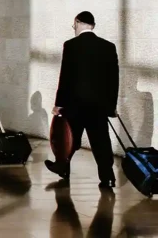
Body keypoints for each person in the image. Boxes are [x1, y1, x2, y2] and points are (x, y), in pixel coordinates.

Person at [46, 11, 119, 189]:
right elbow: (113, 80)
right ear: (92, 25)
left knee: (68, 140)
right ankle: (108, 178)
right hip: (98, 106)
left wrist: (59, 104)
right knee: (101, 142)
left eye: (74, 25)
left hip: (75, 104)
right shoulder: (108, 47)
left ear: (78, 23)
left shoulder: (71, 45)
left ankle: (62, 168)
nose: (74, 28)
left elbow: (65, 77)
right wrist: (111, 106)